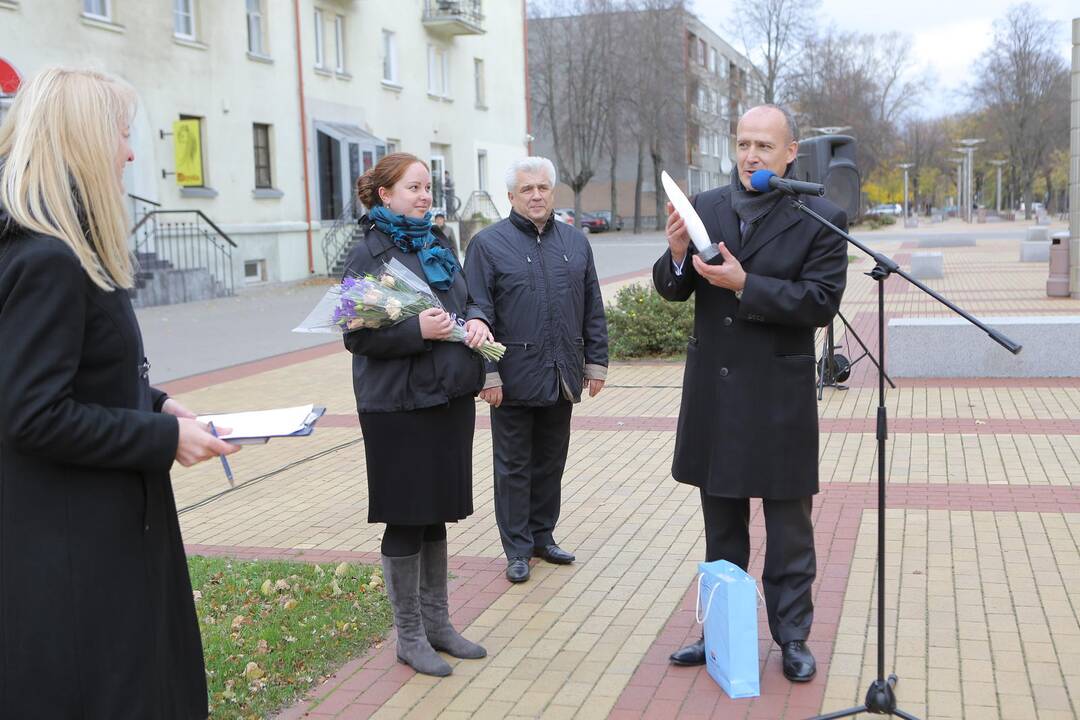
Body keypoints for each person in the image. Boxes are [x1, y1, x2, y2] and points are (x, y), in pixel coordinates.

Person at [0, 67, 240, 718]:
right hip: (78, 550)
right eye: (122, 135)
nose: (131, 154)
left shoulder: (59, 248)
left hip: (98, 529)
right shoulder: (48, 257)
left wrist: (157, 402)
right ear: (80, 140)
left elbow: (78, 371)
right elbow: (32, 413)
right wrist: (162, 437)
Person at [654, 105, 848, 682]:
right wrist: (676, 255)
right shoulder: (707, 207)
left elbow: (820, 302)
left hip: (779, 396)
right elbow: (671, 290)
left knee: (789, 528)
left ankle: (792, 638)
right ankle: (721, 630)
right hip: (717, 394)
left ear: (791, 153)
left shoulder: (821, 215)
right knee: (722, 528)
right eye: (743, 144)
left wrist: (746, 285)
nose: (751, 155)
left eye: (765, 145)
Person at [343, 152, 491, 677]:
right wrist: (416, 332)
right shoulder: (367, 253)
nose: (425, 196)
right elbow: (355, 335)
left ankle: (439, 625)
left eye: (429, 187)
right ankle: (409, 636)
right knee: (406, 516)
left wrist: (475, 321)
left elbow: (469, 300)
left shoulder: (439, 244)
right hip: (397, 408)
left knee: (436, 513)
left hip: (446, 400)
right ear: (385, 194)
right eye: (414, 188)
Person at [464, 157, 608, 584]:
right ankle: (517, 548)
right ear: (511, 196)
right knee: (513, 466)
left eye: (543, 187)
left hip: (561, 372)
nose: (537, 195)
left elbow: (592, 306)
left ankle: (543, 535)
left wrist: (595, 362)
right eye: (527, 189)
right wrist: (487, 376)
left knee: (550, 462)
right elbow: (477, 312)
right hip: (511, 378)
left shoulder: (575, 242)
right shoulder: (488, 245)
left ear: (553, 191)